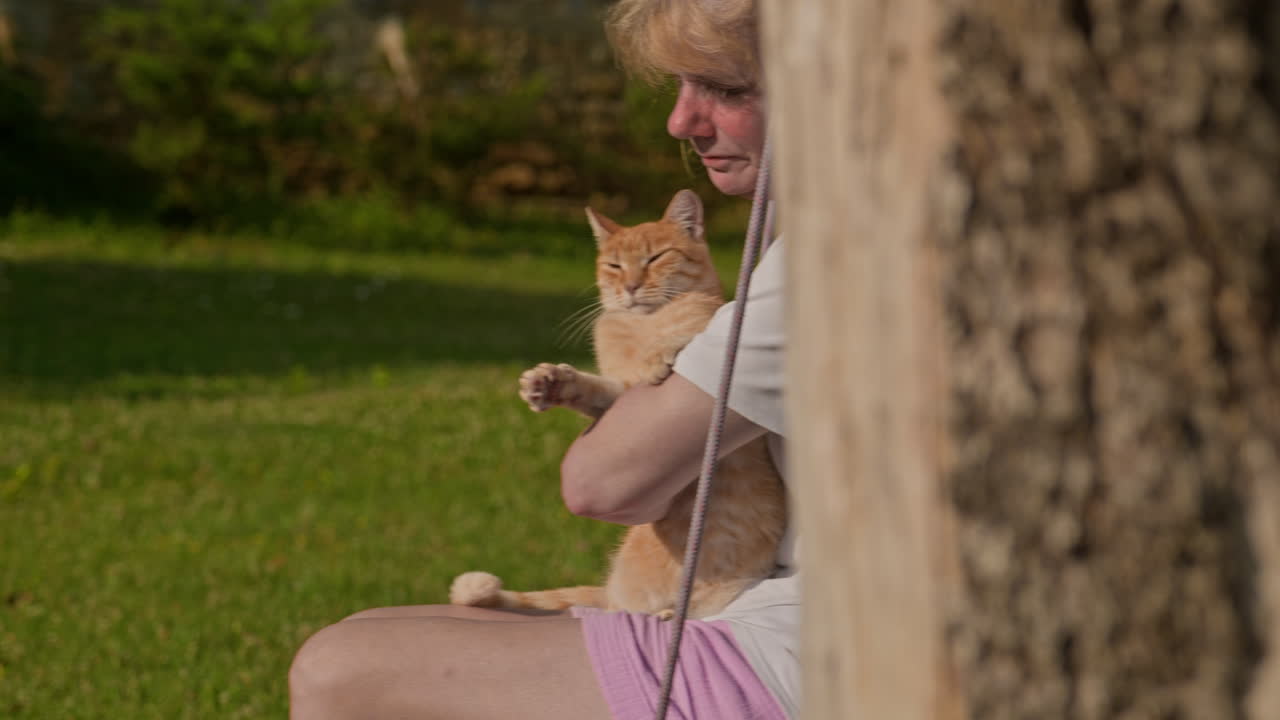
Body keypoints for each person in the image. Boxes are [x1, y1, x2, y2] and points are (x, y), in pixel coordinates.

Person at [288, 1, 797, 718]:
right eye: (680, 88)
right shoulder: (802, 243)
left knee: (338, 668)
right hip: (769, 598)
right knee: (366, 631)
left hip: (812, 649)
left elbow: (606, 486)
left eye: (726, 88)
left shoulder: (819, 269)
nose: (681, 123)